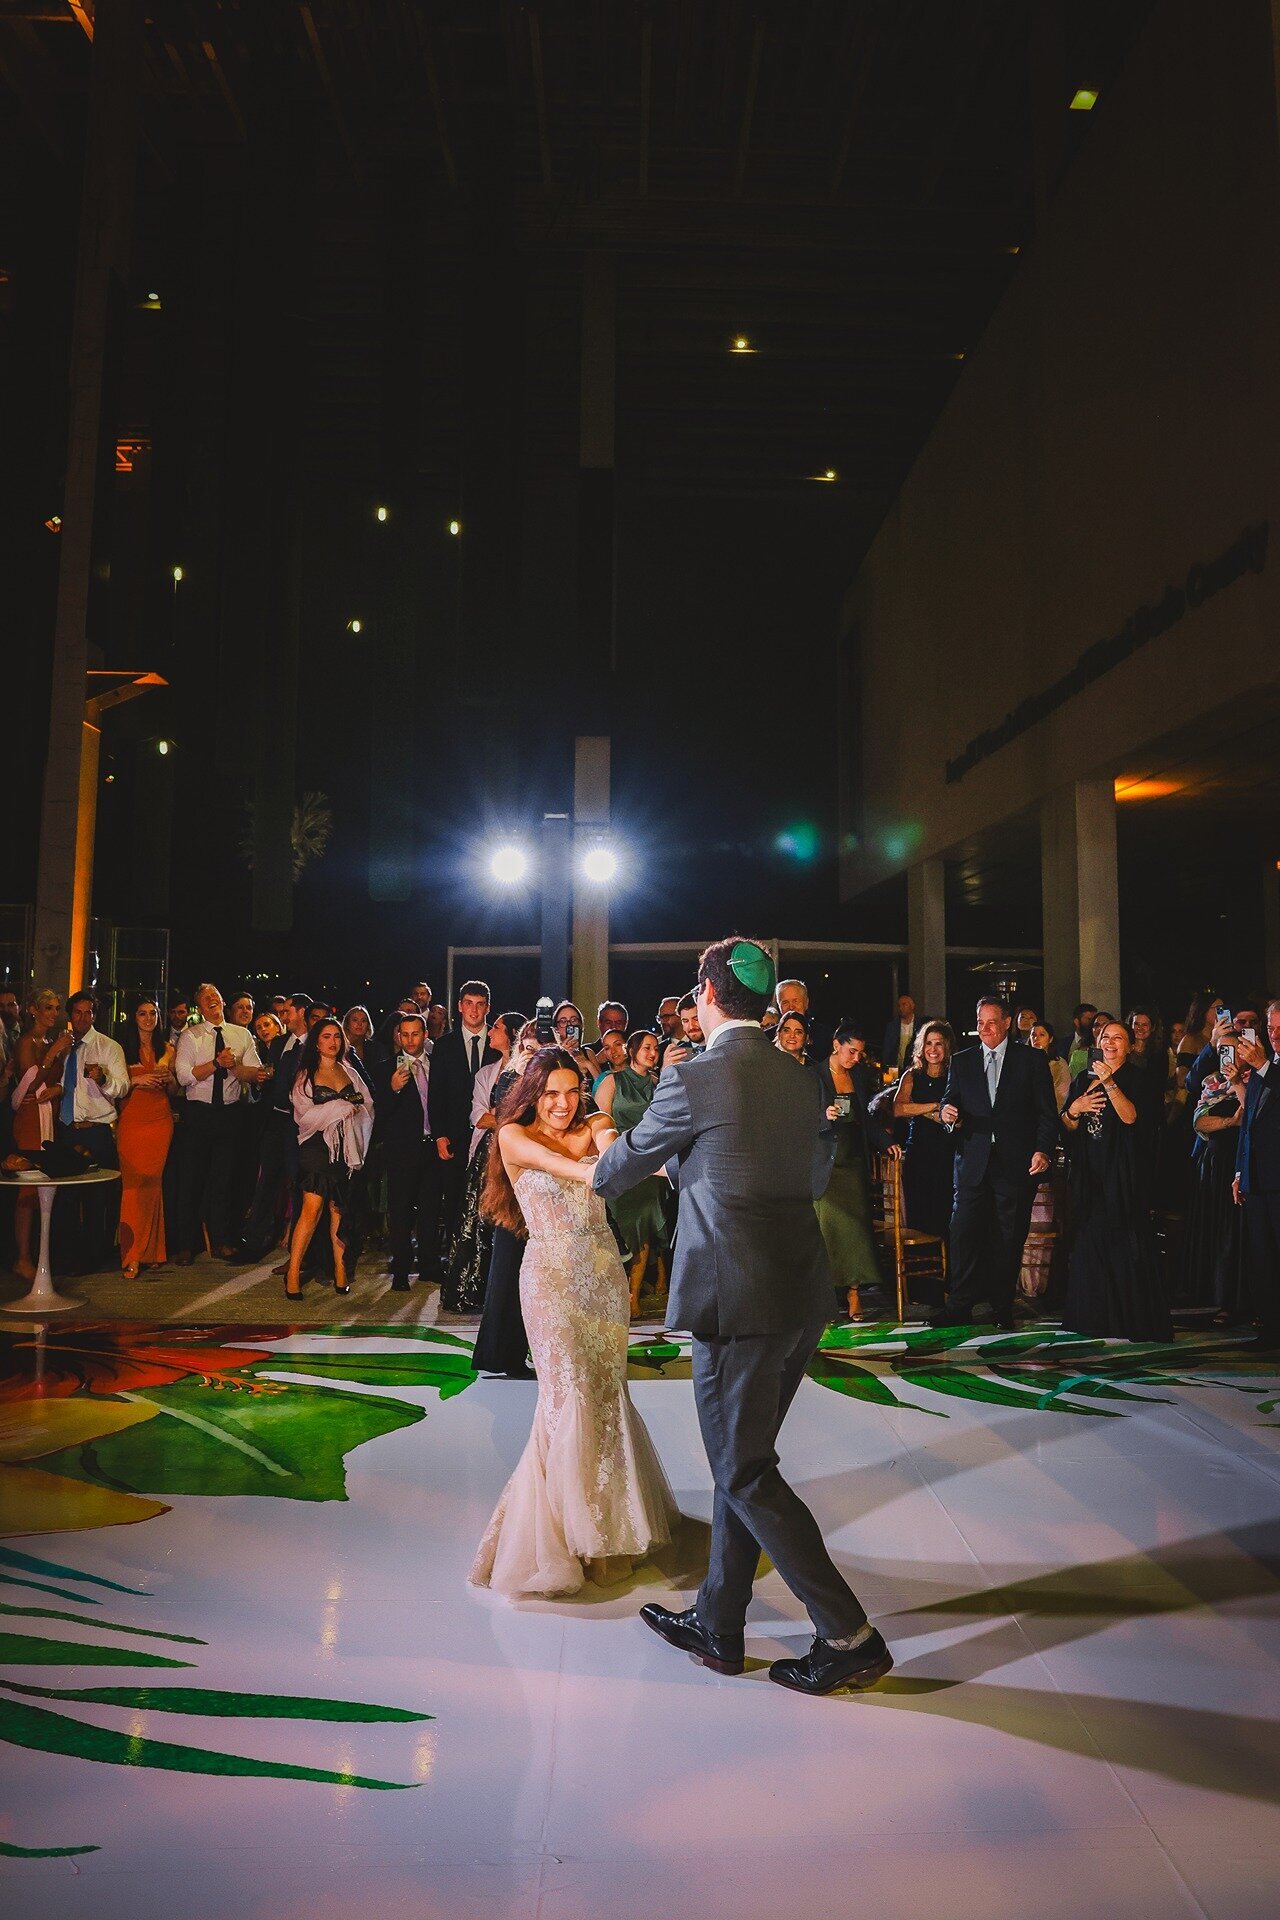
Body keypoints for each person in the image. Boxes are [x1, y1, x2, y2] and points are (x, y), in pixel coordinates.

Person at [592, 936, 891, 1697]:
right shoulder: (801, 1077)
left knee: (744, 1468)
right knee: (744, 1456)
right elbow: (812, 1169)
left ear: (708, 995)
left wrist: (643, 1151)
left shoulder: (692, 1076)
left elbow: (615, 1170)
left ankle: (847, 1635)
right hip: (799, 1296)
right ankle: (719, 1623)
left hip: (736, 1299)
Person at [469, 1048, 677, 1597]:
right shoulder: (512, 1138)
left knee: (606, 1394)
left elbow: (615, 1154)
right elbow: (582, 1173)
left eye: (570, 1092)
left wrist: (662, 1163)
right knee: (568, 1396)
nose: (562, 1104)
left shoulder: (599, 1123)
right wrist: (626, 1166)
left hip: (603, 1274)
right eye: (551, 1093)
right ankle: (559, 1540)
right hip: (551, 1278)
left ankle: (609, 1532)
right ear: (533, 1095)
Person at [930, 995, 1058, 1329]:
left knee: (1008, 1237)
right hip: (971, 1163)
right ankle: (959, 1306)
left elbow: (1047, 1114)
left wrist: (1042, 1150)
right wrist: (946, 1114)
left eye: (991, 1022)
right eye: (979, 1022)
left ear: (1006, 1023)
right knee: (963, 1235)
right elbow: (948, 1103)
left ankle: (1002, 1306)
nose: (984, 1029)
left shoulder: (1031, 1060)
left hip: (1015, 1165)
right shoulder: (962, 1061)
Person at [1061, 1020, 1171, 1342]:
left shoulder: (1141, 1079)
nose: (1109, 1044)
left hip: (1124, 1175)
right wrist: (1075, 1110)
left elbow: (1132, 1117)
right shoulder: (1083, 1078)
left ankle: (1128, 1320)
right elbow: (1067, 1126)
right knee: (1090, 1243)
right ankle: (1092, 1318)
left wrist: (1109, 1083)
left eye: (1118, 1039)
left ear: (1130, 1045)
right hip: (1089, 1173)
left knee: (1125, 1243)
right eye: (1105, 1037)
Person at [172, 982, 266, 1264]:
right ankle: (186, 1243)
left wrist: (239, 1068)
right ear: (199, 1008)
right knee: (191, 1178)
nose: (212, 1000)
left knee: (225, 1179)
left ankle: (222, 1239)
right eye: (205, 998)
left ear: (224, 1002)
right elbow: (184, 1076)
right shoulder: (191, 1036)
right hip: (198, 1113)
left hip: (230, 1113)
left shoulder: (241, 1034)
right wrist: (216, 1063)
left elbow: (255, 1071)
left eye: (216, 996)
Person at [440, 1011, 525, 1315]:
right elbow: (478, 1117)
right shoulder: (485, 1073)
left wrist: (499, 1118)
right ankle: (473, 1290)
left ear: (512, 1034)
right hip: (487, 1155)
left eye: (497, 1029)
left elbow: (514, 1117)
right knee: (477, 1220)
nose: (490, 1033)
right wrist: (503, 1118)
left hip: (515, 1154)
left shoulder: (529, 1070)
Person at [471, 1020, 543, 1378]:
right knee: (509, 1268)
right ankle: (503, 1355)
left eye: (538, 1049)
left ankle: (504, 1353)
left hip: (533, 1179)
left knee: (520, 1269)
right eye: (526, 1047)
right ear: (518, 1048)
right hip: (518, 1183)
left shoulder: (532, 1082)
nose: (530, 1055)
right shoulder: (511, 1081)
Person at [286, 1017, 374, 1299]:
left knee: (339, 1209)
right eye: (326, 1036)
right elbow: (304, 1116)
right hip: (315, 1148)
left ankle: (340, 1270)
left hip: (346, 1149)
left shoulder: (350, 1071)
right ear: (316, 1041)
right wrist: (338, 1107)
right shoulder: (305, 1075)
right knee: (312, 1209)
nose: (333, 1041)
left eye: (337, 1036)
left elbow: (367, 1105)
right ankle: (293, 1272)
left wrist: (351, 1111)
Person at [594, 1030, 668, 1315]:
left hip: (649, 1167)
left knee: (642, 1230)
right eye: (647, 1047)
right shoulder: (614, 1080)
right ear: (632, 1050)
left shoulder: (659, 1084)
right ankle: (611, 1291)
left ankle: (633, 1296)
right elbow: (598, 1121)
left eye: (656, 1049)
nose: (652, 1053)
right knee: (619, 1227)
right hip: (618, 1161)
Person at [55, 990, 129, 1270]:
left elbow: (123, 1087)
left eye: (88, 1012)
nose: (83, 1017)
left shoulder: (108, 1046)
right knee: (66, 1198)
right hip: (66, 1129)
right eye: (78, 1012)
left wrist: (103, 1078)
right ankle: (67, 1258)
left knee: (98, 1197)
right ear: (70, 1015)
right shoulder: (62, 1046)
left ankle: (94, 1258)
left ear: (95, 1015)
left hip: (96, 1130)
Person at [239, 991, 310, 1262]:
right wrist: (262, 1080)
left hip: (299, 1124)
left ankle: (298, 1250)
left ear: (301, 1012)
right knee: (266, 1180)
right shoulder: (280, 1043)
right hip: (275, 1120)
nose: (283, 1016)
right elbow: (271, 1076)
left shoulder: (312, 1045)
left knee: (296, 1182)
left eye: (287, 1012)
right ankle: (255, 1241)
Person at [376, 1010, 444, 1290]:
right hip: (402, 1151)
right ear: (398, 1036)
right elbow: (379, 1114)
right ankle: (401, 1270)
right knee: (401, 1211)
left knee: (430, 1210)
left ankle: (429, 1265)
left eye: (415, 1033)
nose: (410, 1039)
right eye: (404, 1034)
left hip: (433, 1148)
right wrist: (392, 1089)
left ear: (425, 1035)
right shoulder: (385, 1068)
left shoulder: (438, 1064)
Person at [815, 1024, 881, 1313]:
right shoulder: (814, 1074)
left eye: (860, 1052)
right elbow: (800, 1115)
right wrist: (822, 1115)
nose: (855, 1057)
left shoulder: (859, 1075)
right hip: (827, 1162)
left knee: (856, 1230)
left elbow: (867, 1118)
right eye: (851, 1050)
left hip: (854, 1160)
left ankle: (854, 1293)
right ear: (836, 1045)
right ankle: (827, 1295)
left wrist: (888, 1142)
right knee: (828, 1230)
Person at [430, 980, 500, 1242]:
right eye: (469, 1004)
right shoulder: (444, 1045)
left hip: (491, 1138)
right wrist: (439, 1134)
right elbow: (436, 1094)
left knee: (490, 1200)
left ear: (487, 1008)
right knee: (455, 1201)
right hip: (455, 1136)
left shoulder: (498, 1043)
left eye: (479, 1004)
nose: (474, 1010)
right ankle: (455, 1257)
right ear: (459, 1007)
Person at [1183, 1056, 1250, 1321]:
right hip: (1215, 1162)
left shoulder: (1257, 1079)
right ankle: (1221, 1299)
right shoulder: (1212, 1082)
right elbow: (1199, 1122)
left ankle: (1249, 1301)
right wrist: (1228, 1122)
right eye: (1226, 1050)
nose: (1233, 1057)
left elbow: (1253, 1113)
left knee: (1241, 1231)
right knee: (1220, 1228)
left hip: (1244, 1159)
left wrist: (1237, 1082)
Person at [8, 987, 67, 1280]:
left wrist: (59, 1089)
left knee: (46, 1184)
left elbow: (56, 1082)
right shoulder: (26, 1042)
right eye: (49, 1008)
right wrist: (53, 1053)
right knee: (28, 1187)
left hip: (49, 1117)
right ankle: (21, 1256)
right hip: (30, 1118)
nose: (54, 1014)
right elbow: (30, 1084)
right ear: (34, 1010)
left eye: (57, 1008)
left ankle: (40, 1253)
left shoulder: (49, 1041)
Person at [118, 998, 176, 1278]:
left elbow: (176, 1090)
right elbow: (113, 1087)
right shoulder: (120, 1049)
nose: (149, 1018)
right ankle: (133, 1254)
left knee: (153, 1184)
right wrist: (136, 1081)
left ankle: (153, 1250)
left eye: (153, 1013)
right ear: (133, 1017)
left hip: (160, 1119)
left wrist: (169, 1080)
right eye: (142, 1013)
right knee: (133, 1184)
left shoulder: (168, 1050)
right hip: (132, 1119)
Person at [1233, 1000, 1280, 1349]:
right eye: (1272, 1028)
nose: (1275, 1036)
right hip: (1257, 1180)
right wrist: (1239, 1171)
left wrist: (1262, 1065)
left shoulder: (1268, 1069)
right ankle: (1270, 1331)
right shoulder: (1266, 1069)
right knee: (1261, 1260)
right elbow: (1249, 1122)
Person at [893, 1020, 956, 1240]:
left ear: (946, 1046)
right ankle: (920, 1270)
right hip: (919, 1153)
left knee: (944, 1215)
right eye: (928, 1043)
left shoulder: (954, 1075)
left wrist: (920, 1110)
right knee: (919, 1215)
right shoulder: (912, 1075)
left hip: (947, 1154)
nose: (933, 1049)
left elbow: (956, 1118)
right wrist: (934, 1107)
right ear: (921, 1046)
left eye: (938, 1044)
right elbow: (899, 1108)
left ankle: (945, 1270)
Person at [776, 976, 832, 1065]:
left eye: (795, 1001)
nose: (791, 1007)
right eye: (785, 1002)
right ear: (779, 1006)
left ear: (806, 1003)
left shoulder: (825, 1036)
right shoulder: (766, 1037)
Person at [1029, 1020, 1072, 1111]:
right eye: (1033, 1035)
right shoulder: (1023, 1061)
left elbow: (1062, 1095)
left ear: (1050, 1039)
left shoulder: (1059, 1063)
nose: (1036, 1038)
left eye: (1042, 1035)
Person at [881, 993, 920, 1074]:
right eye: (898, 1006)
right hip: (894, 1067)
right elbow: (887, 1049)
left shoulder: (920, 1025)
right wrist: (886, 1067)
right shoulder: (892, 1026)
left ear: (912, 1006)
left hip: (914, 1067)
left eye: (904, 1004)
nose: (900, 1008)